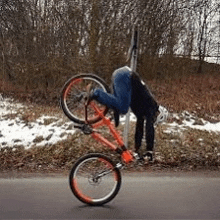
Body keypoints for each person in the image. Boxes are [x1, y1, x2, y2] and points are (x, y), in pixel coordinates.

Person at [90, 66, 165, 161]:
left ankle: (93, 94)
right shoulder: (152, 106)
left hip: (121, 74)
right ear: (158, 114)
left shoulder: (142, 109)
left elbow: (140, 128)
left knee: (120, 105)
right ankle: (96, 92)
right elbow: (149, 129)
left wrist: (136, 150)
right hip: (126, 76)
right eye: (154, 118)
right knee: (123, 108)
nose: (152, 119)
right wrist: (149, 151)